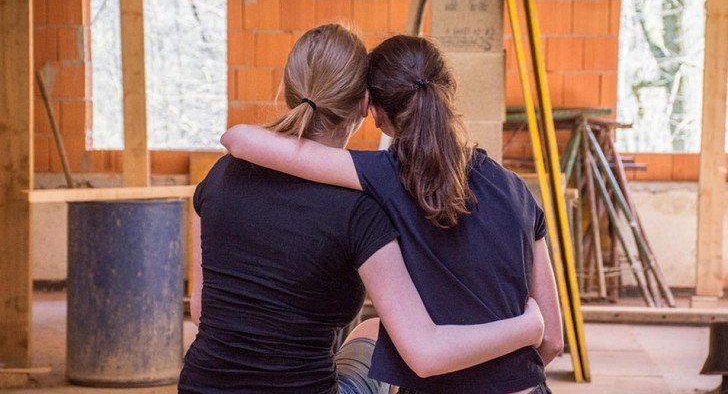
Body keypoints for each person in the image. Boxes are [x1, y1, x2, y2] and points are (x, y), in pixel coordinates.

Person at [180, 24, 545, 394]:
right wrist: (529, 325)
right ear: (365, 104)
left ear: (289, 86)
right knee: (377, 335)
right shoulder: (362, 206)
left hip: (198, 386)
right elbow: (425, 349)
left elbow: (201, 313)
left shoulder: (219, 176)